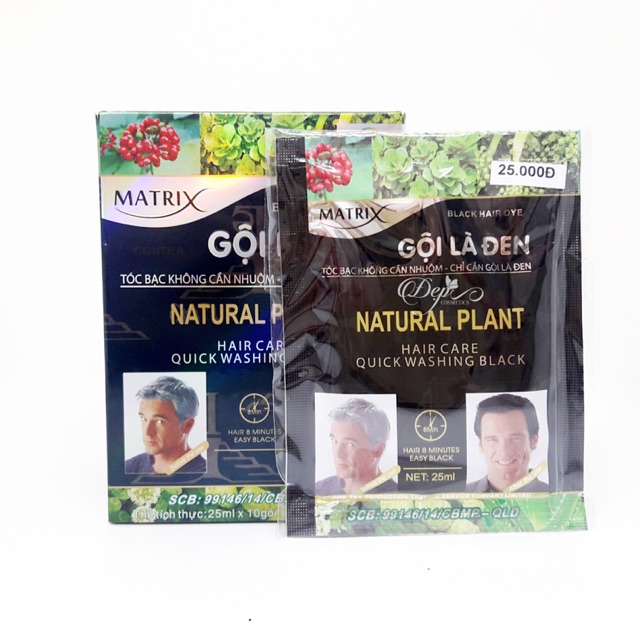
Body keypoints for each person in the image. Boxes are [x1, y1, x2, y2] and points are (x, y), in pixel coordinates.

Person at [466, 393, 549, 493]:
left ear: (534, 441)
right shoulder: (457, 495)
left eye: (515, 438)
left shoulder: (556, 495)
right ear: (480, 444)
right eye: (493, 439)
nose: (504, 452)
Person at [125, 376, 206, 474]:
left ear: (187, 425)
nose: (147, 433)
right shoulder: (128, 468)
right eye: (144, 419)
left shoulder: (204, 475)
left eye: (160, 421)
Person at [316, 397, 396, 495]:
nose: (338, 455)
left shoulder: (400, 497)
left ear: (378, 450)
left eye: (350, 444)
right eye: (334, 441)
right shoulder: (317, 492)